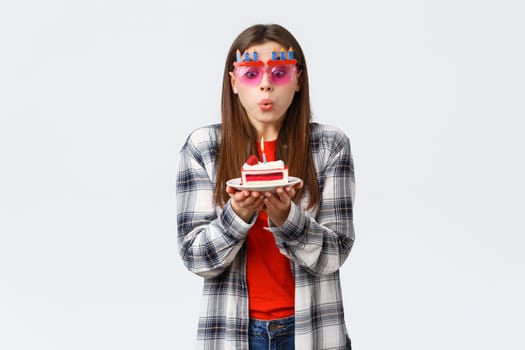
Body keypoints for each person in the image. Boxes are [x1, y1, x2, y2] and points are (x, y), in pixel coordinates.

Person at [176, 23, 355, 350]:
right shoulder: (204, 147)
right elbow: (195, 257)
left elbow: (335, 252)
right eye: (251, 74)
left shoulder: (329, 146)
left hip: (312, 331)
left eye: (280, 73)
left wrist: (288, 218)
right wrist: (238, 214)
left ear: (298, 80)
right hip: (234, 333)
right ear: (233, 82)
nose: (266, 86)